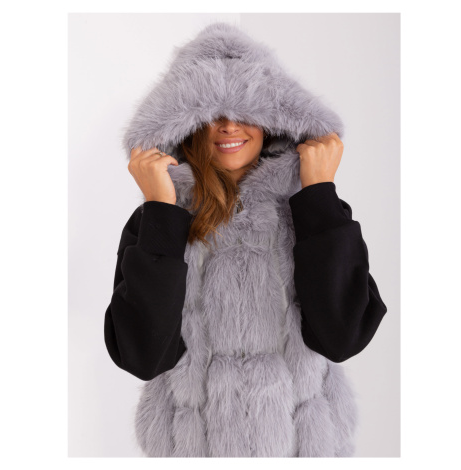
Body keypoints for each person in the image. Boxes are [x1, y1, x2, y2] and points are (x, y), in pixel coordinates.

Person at [104, 22, 388, 457]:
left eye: (246, 110)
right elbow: (142, 357)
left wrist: (318, 194)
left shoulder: (311, 210)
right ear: (187, 124)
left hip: (302, 449)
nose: (228, 126)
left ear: (273, 119)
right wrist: (162, 209)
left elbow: (343, 337)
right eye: (210, 113)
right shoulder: (157, 220)